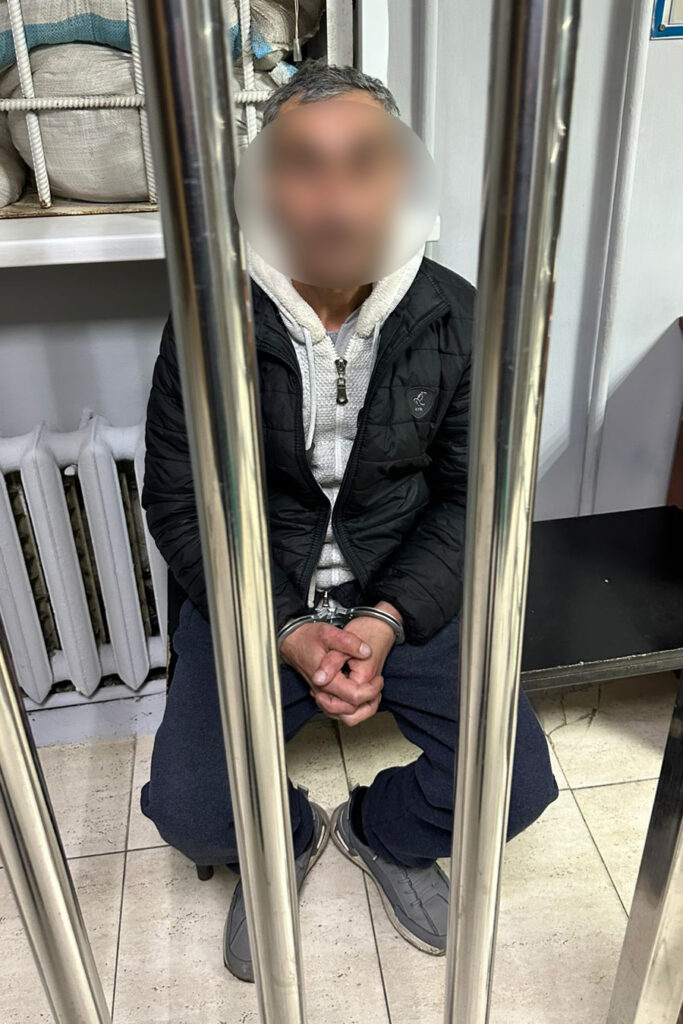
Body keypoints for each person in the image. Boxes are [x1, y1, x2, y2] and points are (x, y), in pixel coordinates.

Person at [139, 60, 559, 983]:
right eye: (303, 166)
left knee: (516, 786)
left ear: (399, 177)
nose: (334, 202)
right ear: (265, 186)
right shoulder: (207, 320)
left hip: (404, 583)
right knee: (192, 814)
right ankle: (285, 836)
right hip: (261, 593)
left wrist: (386, 619)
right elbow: (179, 499)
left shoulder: (458, 317)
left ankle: (381, 830)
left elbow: (476, 501)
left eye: (362, 163)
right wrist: (287, 628)